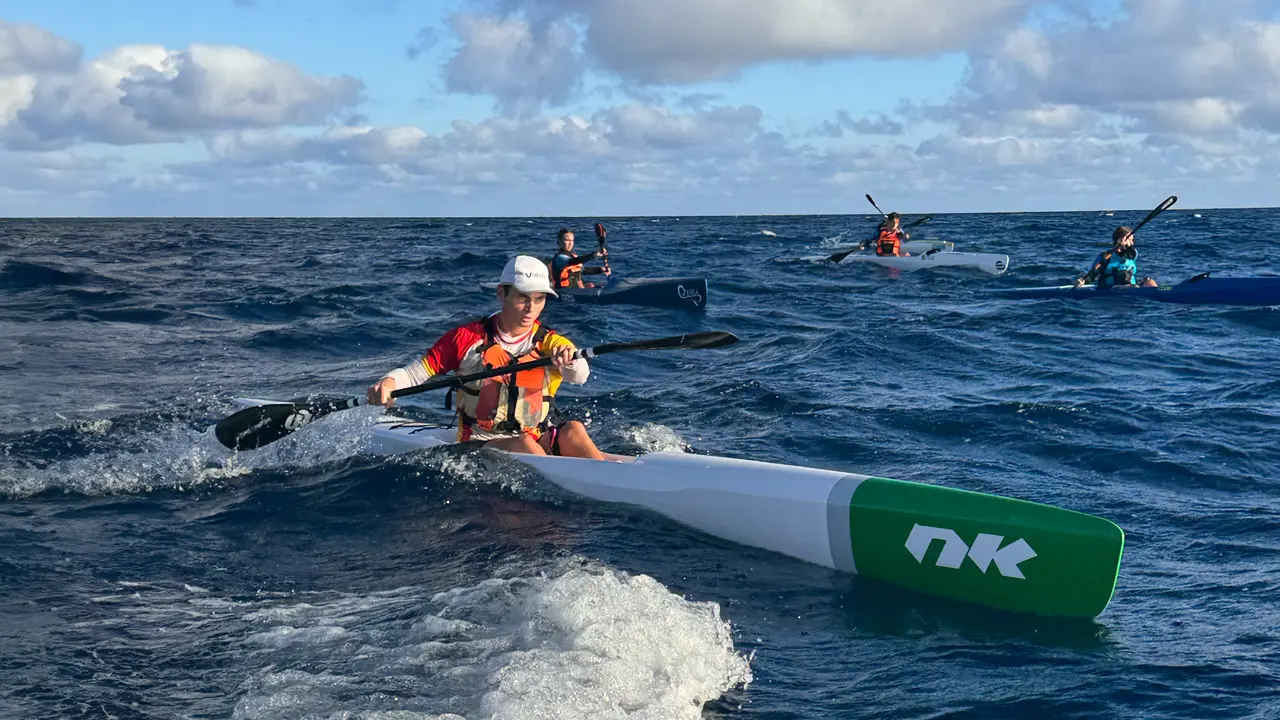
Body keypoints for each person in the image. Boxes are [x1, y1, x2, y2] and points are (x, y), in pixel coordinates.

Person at [366, 255, 605, 459]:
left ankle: (607, 479)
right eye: (522, 297)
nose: (531, 308)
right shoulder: (465, 338)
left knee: (573, 429)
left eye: (539, 299)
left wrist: (570, 360)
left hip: (536, 437)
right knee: (524, 445)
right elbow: (414, 373)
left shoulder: (551, 342)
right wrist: (388, 383)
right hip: (480, 443)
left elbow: (580, 375)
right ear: (502, 293)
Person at [1075, 226, 1158, 288]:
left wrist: (1127, 246)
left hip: (1132, 286)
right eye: (1129, 240)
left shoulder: (1132, 254)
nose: (1132, 243)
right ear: (1119, 240)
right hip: (1111, 288)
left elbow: (1131, 253)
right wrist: (1083, 281)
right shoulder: (1104, 256)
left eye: (1132, 240)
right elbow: (1092, 275)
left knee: (1149, 281)